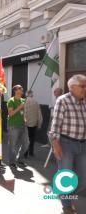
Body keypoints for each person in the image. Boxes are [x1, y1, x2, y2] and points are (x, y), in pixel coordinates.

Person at [49, 74, 86, 214]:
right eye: (82, 86)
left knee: (83, 180)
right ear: (72, 87)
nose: (85, 89)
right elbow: (56, 124)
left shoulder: (84, 103)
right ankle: (67, 206)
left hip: (83, 145)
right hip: (66, 144)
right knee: (66, 176)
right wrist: (56, 143)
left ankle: (64, 193)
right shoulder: (62, 100)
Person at [7, 85, 29, 169]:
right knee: (13, 144)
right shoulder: (11, 101)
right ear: (15, 90)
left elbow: (23, 113)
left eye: (22, 89)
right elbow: (11, 114)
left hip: (23, 125)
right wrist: (20, 107)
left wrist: (25, 119)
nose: (22, 90)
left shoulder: (23, 100)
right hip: (13, 126)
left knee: (26, 143)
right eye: (20, 88)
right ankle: (12, 162)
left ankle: (20, 159)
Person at [24, 90, 43, 157]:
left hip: (25, 123)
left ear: (26, 94)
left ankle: (25, 153)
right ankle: (31, 152)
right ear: (32, 95)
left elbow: (24, 113)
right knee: (32, 138)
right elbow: (39, 114)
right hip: (34, 124)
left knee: (25, 138)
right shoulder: (36, 102)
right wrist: (39, 124)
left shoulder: (24, 102)